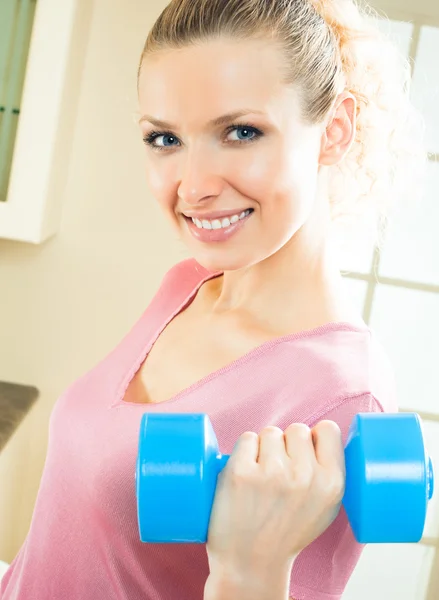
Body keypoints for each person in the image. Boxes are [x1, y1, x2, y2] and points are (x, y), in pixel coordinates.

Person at [0, 0, 425, 599]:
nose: (194, 186)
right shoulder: (188, 285)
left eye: (241, 132)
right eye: (164, 138)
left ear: (334, 131)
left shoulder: (344, 400)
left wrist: (250, 572)